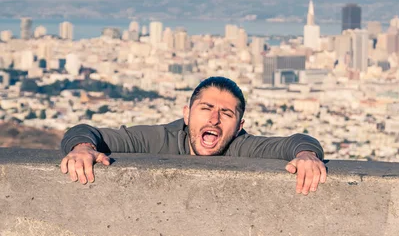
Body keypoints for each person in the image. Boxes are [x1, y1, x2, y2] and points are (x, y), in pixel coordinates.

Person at [60, 76, 326, 195]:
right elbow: (86, 132)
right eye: (206, 109)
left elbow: (297, 143)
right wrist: (83, 148)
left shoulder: (240, 146)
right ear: (187, 114)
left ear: (239, 126)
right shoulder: (161, 138)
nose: (214, 119)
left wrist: (306, 155)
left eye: (226, 114)